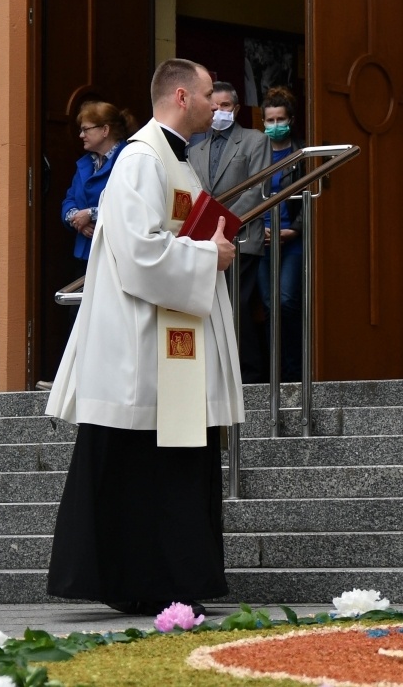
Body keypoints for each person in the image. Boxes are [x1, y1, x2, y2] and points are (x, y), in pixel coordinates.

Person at [45, 58, 242, 616]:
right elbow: (139, 253)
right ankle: (132, 577)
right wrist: (211, 255)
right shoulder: (140, 159)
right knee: (138, 464)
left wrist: (210, 244)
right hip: (139, 350)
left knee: (172, 463)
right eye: (210, 95)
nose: (217, 105)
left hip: (170, 342)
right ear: (182, 96)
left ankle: (169, 578)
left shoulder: (177, 161)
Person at [189, 82, 269, 383]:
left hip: (242, 236)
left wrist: (220, 221)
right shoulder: (195, 147)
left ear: (235, 109)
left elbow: (259, 189)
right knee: (210, 306)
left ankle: (249, 374)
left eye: (225, 106)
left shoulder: (253, 140)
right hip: (206, 243)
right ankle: (218, 371)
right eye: (215, 105)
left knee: (239, 306)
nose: (219, 111)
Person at [257, 88, 304, 382]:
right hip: (260, 240)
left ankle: (294, 371)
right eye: (270, 120)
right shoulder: (256, 153)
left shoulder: (301, 154)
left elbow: (309, 195)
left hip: (292, 241)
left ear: (291, 119)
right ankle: (273, 371)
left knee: (286, 300)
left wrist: (294, 229)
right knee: (267, 304)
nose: (275, 125)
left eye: (280, 119)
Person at [61, 100, 136, 277]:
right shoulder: (87, 162)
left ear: (105, 130)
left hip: (113, 255)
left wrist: (92, 214)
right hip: (85, 254)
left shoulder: (129, 158)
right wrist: (77, 219)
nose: (81, 135)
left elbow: (130, 204)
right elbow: (69, 199)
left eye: (85, 129)